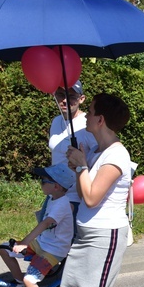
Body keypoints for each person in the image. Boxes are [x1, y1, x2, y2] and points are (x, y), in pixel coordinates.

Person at [57, 93, 133, 287]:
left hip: (105, 235)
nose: (86, 117)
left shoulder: (116, 155)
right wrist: (79, 162)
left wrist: (81, 166)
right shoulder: (98, 151)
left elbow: (90, 197)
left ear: (100, 119)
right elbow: (83, 187)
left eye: (89, 112)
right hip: (87, 232)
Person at [0, 164, 75, 287]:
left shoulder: (61, 204)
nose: (40, 183)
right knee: (4, 249)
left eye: (43, 181)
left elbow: (45, 223)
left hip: (53, 251)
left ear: (56, 186)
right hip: (42, 244)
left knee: (31, 279)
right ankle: (19, 284)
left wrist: (25, 242)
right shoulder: (54, 199)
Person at [48, 81, 98, 215]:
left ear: (81, 99)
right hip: (54, 194)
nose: (64, 100)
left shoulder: (86, 124)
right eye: (60, 95)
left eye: (71, 96)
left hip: (75, 197)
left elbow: (99, 158)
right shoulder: (56, 121)